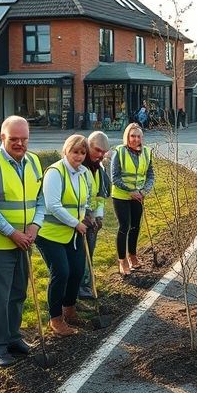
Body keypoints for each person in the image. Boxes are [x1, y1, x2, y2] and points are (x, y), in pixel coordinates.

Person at [0, 116, 43, 368]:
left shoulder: (34, 162)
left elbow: (40, 200)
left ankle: (13, 337)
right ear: (2, 137)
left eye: (24, 139)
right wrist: (12, 233)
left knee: (18, 292)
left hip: (25, 242)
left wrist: (35, 226)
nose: (20, 143)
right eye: (14, 139)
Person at [35, 135, 93, 336]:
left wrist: (86, 216)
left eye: (82, 152)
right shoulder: (55, 172)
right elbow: (52, 205)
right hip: (50, 234)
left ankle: (69, 309)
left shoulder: (84, 173)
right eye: (75, 152)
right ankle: (56, 319)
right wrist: (75, 223)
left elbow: (85, 200)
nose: (78, 156)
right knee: (61, 272)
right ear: (66, 151)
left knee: (77, 271)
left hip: (73, 232)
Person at [111, 123, 154, 276]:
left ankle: (133, 256)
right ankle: (122, 260)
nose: (135, 139)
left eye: (138, 136)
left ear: (142, 138)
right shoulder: (119, 152)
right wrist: (131, 191)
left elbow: (150, 175)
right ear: (127, 137)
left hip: (139, 196)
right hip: (121, 196)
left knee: (135, 226)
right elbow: (114, 177)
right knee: (124, 227)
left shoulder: (147, 152)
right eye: (132, 136)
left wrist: (144, 191)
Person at [79, 131, 111, 298]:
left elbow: (99, 194)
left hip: (91, 220)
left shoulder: (99, 169)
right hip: (76, 220)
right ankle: (77, 288)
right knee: (77, 256)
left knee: (88, 252)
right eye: (97, 150)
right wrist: (81, 217)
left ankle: (85, 284)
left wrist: (98, 216)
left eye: (103, 153)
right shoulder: (78, 165)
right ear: (88, 145)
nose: (100, 155)